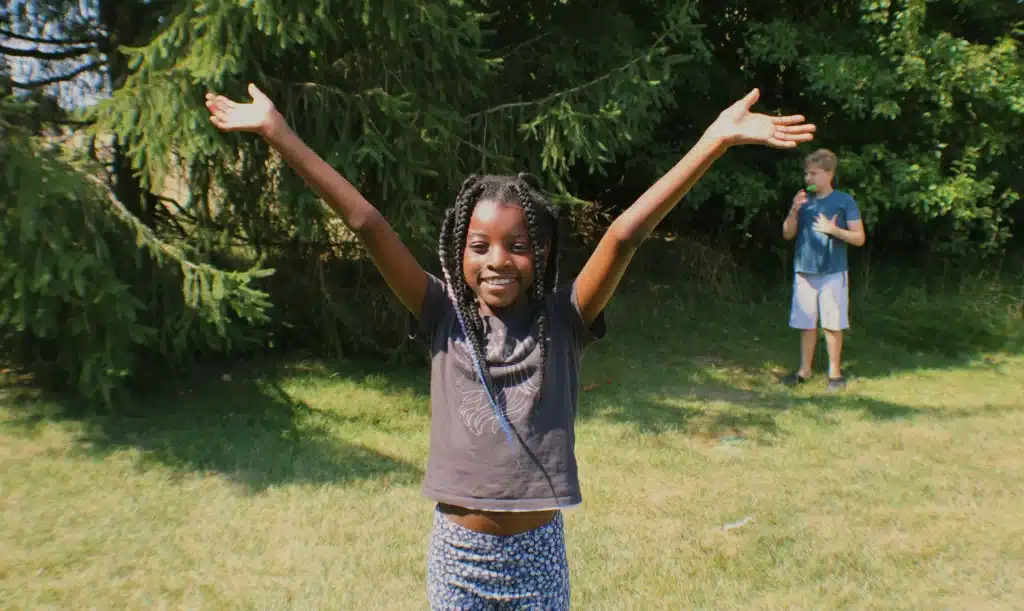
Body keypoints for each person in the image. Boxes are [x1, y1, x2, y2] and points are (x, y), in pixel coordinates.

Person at [205, 83, 815, 609]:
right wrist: (278, 133)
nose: (498, 260)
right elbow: (368, 225)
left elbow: (626, 234)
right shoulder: (441, 312)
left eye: (516, 245)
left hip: (536, 557)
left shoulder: (567, 315)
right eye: (480, 245)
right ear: (458, 250)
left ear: (542, 253)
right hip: (458, 556)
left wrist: (714, 139)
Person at [781, 148, 866, 392]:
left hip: (833, 272)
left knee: (832, 324)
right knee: (807, 324)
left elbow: (859, 238)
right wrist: (794, 210)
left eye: (814, 174)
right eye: (807, 173)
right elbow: (787, 233)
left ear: (829, 174)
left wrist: (833, 230)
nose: (808, 179)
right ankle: (804, 372)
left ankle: (835, 375)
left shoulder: (844, 201)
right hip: (804, 271)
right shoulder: (803, 201)